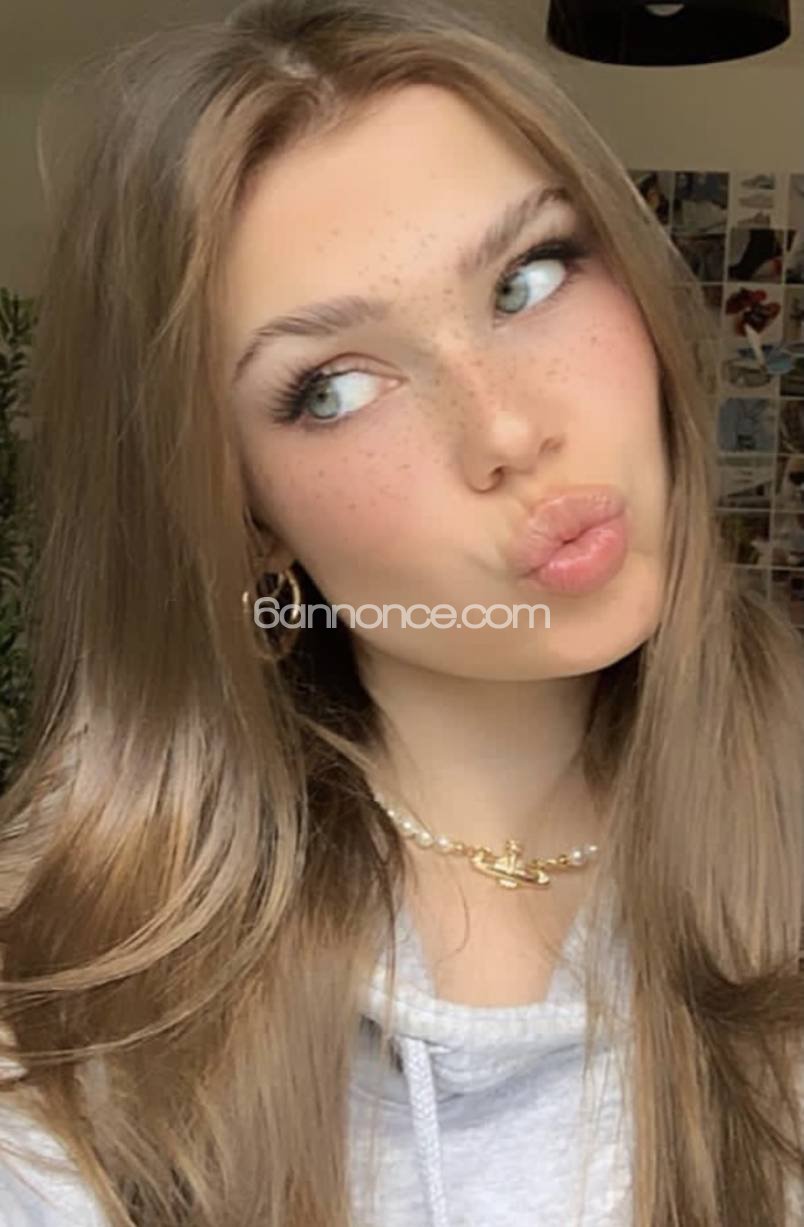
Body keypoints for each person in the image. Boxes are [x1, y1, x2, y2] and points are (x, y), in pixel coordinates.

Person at [0, 1, 803, 1224]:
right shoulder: (74, 1003)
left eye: (528, 278)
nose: (507, 428)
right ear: (242, 514)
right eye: (334, 388)